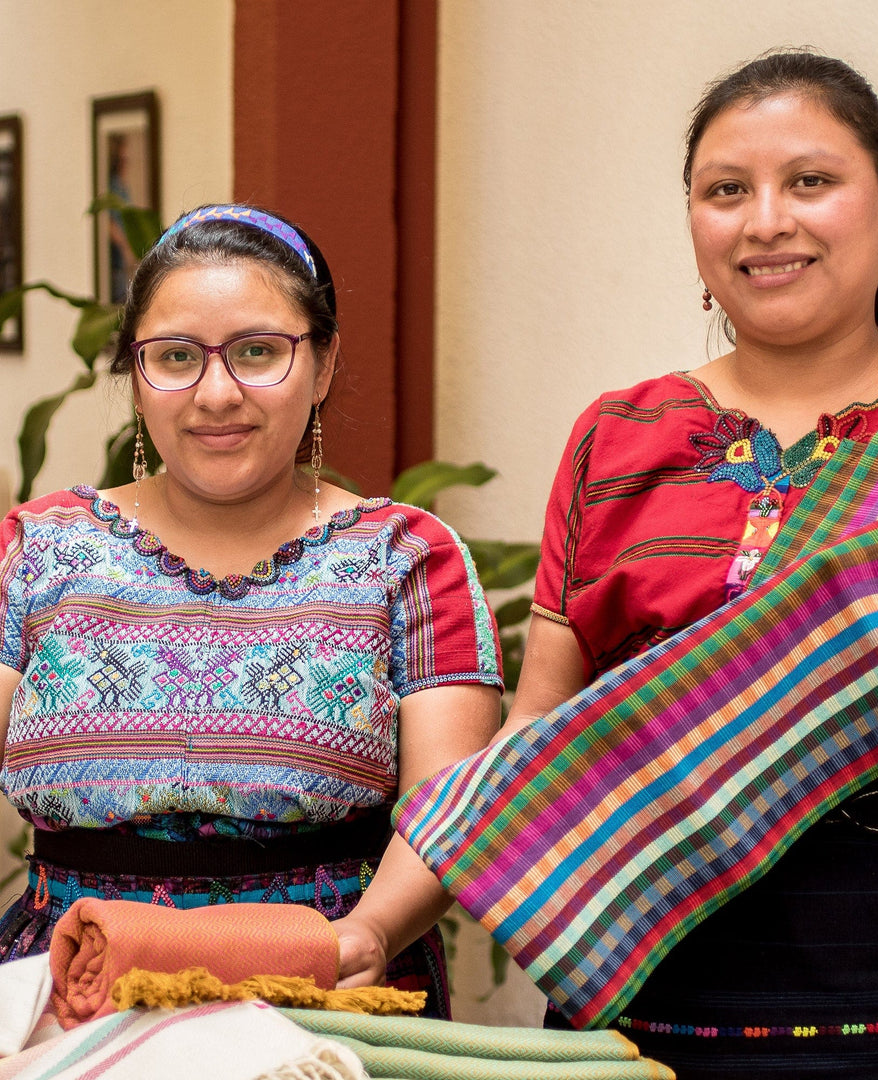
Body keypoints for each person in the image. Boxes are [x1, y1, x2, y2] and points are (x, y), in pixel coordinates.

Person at [498, 52, 878, 1077]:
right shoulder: (617, 435)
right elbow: (539, 724)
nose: (766, 220)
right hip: (649, 985)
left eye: (811, 181)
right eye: (727, 191)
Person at [0, 204, 503, 1018]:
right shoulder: (36, 549)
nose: (217, 394)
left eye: (258, 353)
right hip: (73, 1000)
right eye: (174, 358)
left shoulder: (406, 558)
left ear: (326, 362)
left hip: (332, 996)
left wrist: (365, 938)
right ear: (135, 372)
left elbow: (450, 812)